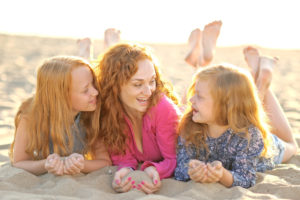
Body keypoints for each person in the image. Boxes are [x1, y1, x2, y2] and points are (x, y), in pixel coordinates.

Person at [174, 54, 297, 188]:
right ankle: (259, 77)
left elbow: (246, 178)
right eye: (194, 94)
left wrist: (222, 175)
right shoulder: (190, 125)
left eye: (200, 96)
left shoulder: (250, 135)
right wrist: (192, 171)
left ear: (225, 106)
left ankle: (263, 84)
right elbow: (180, 168)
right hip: (236, 120)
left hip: (267, 150)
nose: (191, 100)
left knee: (292, 145)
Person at [95, 43, 181, 194]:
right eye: (138, 84)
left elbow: (175, 159)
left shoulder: (163, 109)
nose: (148, 91)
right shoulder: (111, 114)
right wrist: (125, 170)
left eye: (152, 81)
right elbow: (124, 159)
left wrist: (155, 170)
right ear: (115, 86)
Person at [10, 56, 111, 176]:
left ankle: (85, 53)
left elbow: (105, 162)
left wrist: (81, 165)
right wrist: (45, 164)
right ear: (61, 97)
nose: (95, 92)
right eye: (85, 90)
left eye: (93, 84)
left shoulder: (92, 114)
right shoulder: (30, 116)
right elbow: (19, 162)